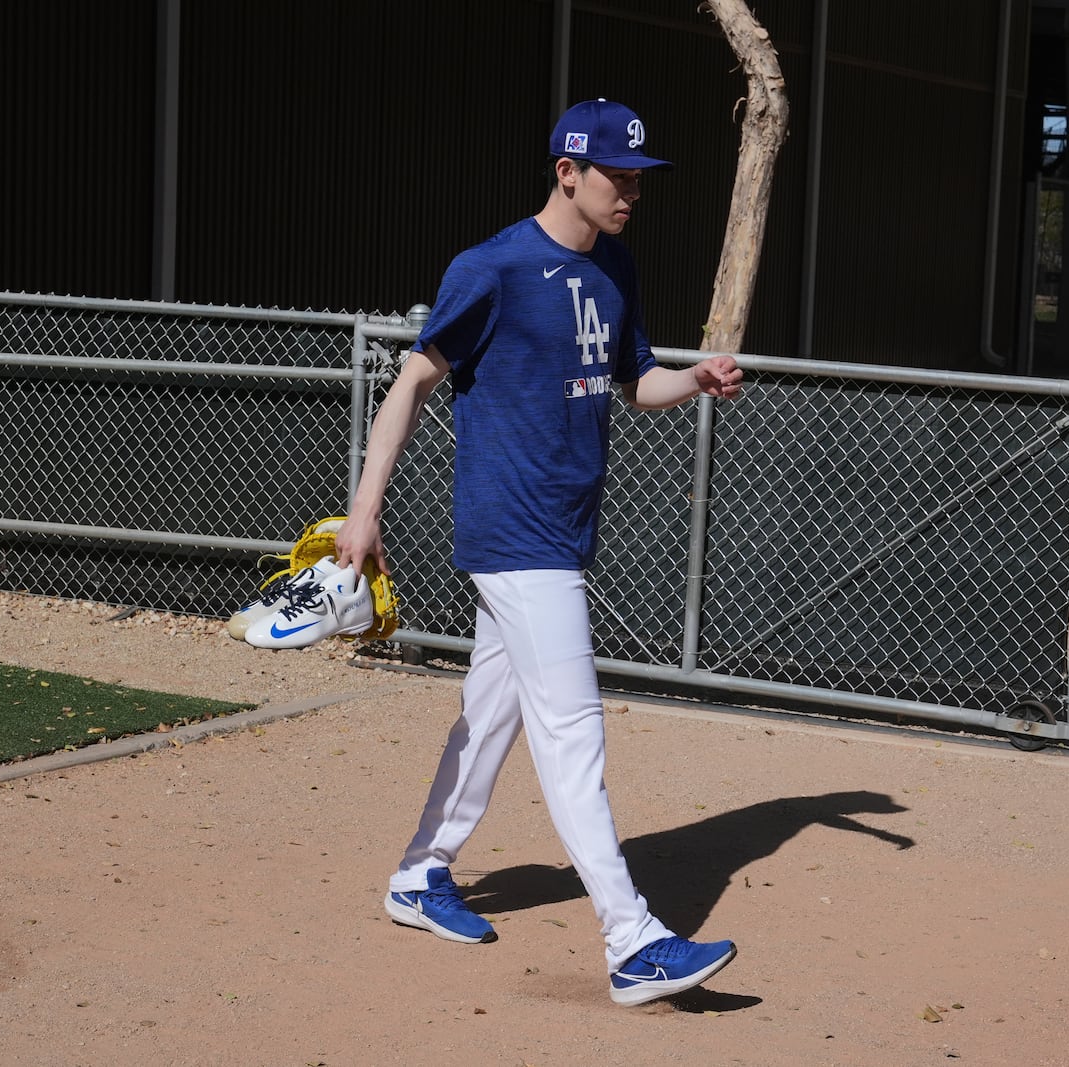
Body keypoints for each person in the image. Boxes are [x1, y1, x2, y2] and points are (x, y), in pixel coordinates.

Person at [334, 98, 745, 1007]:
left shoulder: (616, 269)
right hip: (512, 535)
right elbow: (409, 382)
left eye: (639, 178)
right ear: (567, 171)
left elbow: (635, 381)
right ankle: (632, 938)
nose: (632, 192)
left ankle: (419, 873)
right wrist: (363, 515)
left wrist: (698, 379)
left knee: (492, 714)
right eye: (617, 176)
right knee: (573, 729)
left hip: (562, 532)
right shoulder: (493, 268)